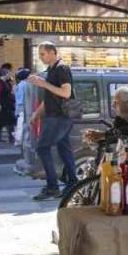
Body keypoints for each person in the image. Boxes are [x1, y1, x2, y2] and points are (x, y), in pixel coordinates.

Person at [29, 43, 76, 200]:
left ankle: (52, 187)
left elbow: (66, 93)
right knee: (64, 150)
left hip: (58, 117)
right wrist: (36, 114)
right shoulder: (52, 70)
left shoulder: (61, 68)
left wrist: (43, 83)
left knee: (42, 148)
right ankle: (73, 184)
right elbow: (50, 97)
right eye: (39, 54)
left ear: (51, 53)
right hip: (57, 116)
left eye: (42, 54)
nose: (40, 57)